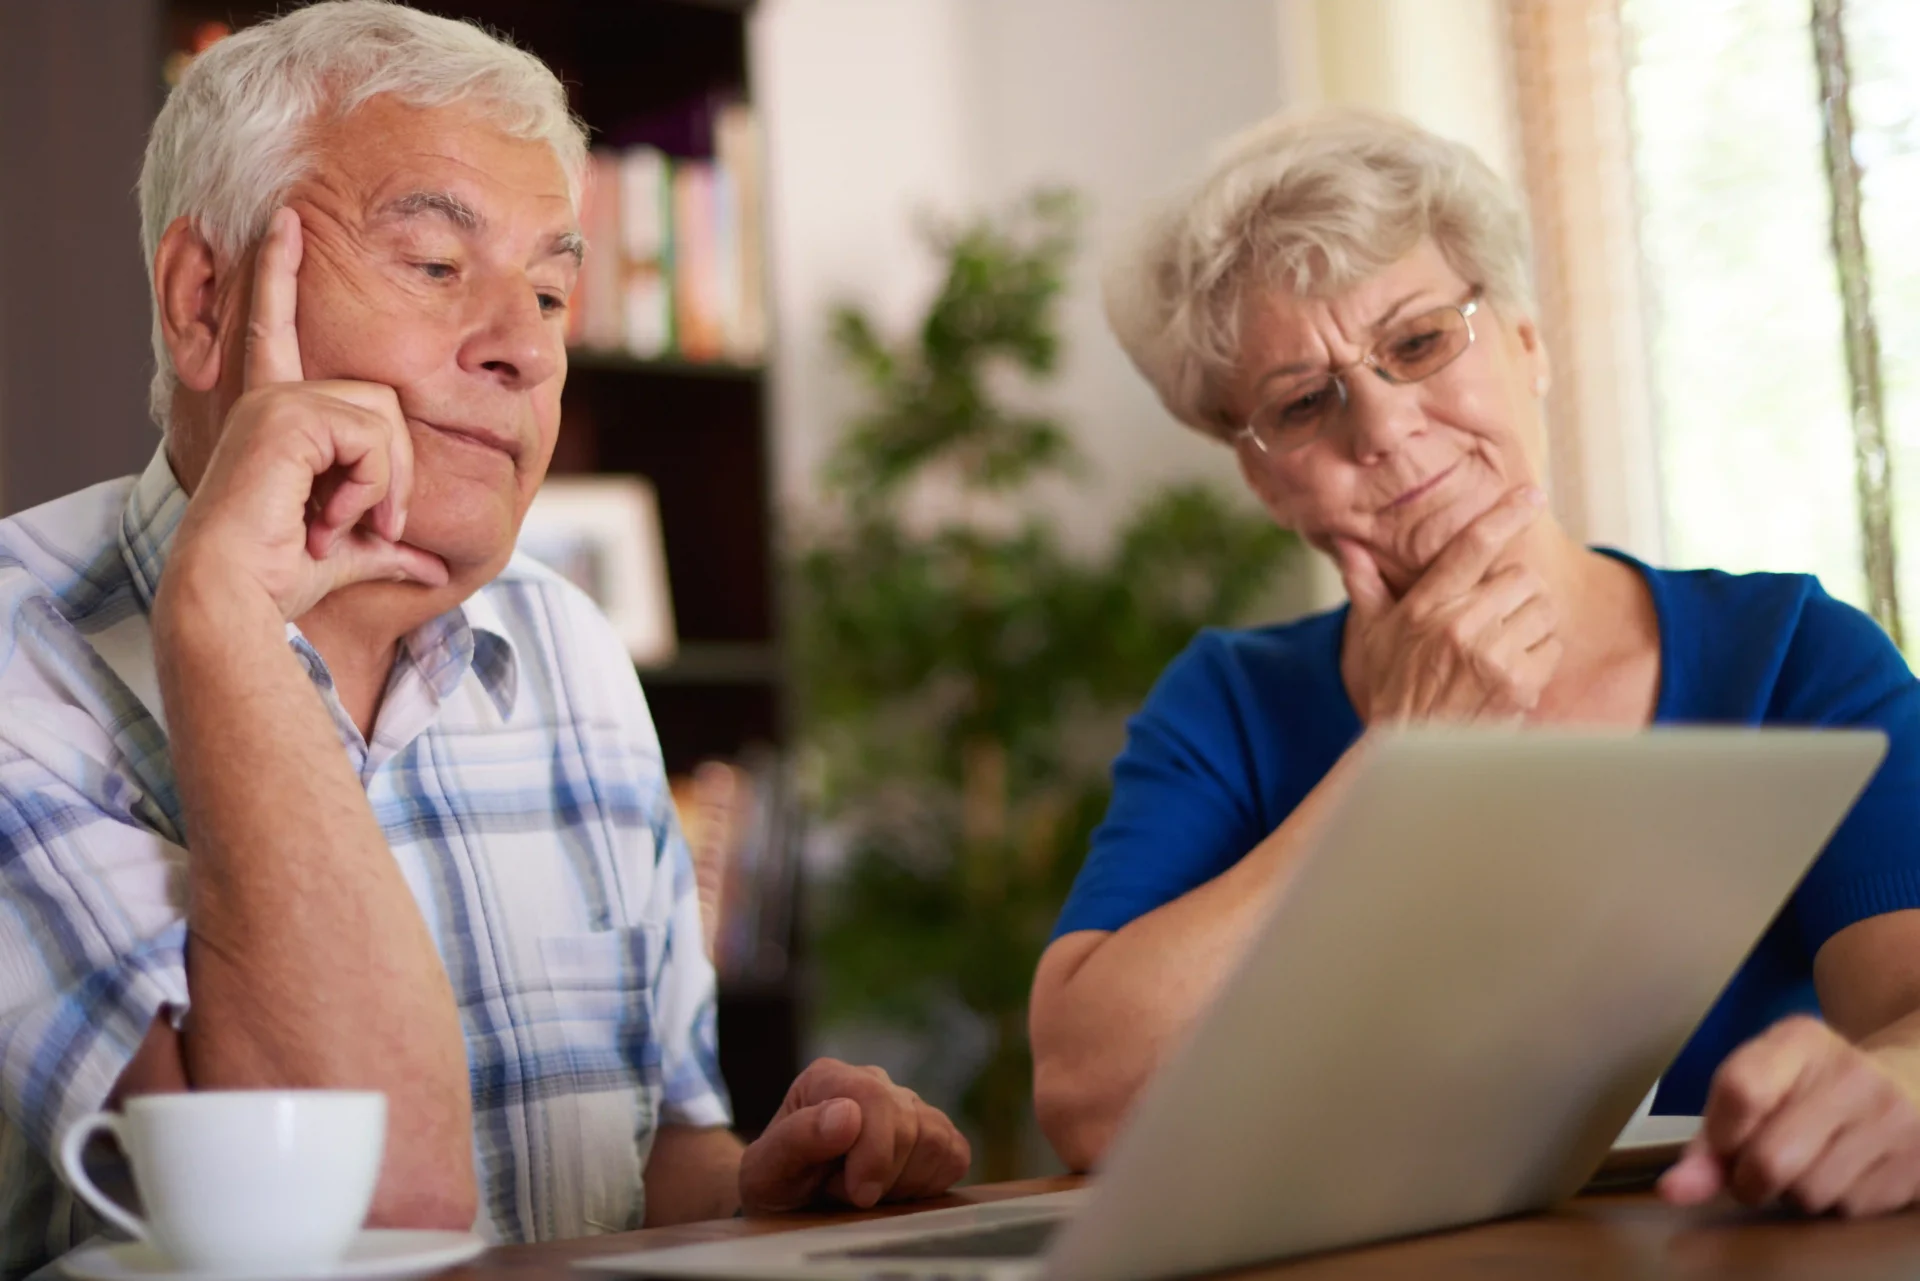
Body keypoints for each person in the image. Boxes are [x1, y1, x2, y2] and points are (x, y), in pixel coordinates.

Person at [0, 3, 968, 1273]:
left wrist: (764, 1195)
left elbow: (654, 1160)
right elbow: (359, 1225)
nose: (524, 348)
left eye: (555, 290)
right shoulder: (22, 662)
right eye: (437, 266)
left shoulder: (570, 652)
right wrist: (226, 617)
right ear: (204, 302)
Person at [1028, 106, 1920, 1218]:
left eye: (1417, 341)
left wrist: (1897, 1085)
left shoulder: (1790, 654)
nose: (1387, 427)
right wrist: (1405, 755)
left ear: (1529, 344)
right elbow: (1089, 1094)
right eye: (1305, 402)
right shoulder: (1229, 705)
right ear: (1263, 479)